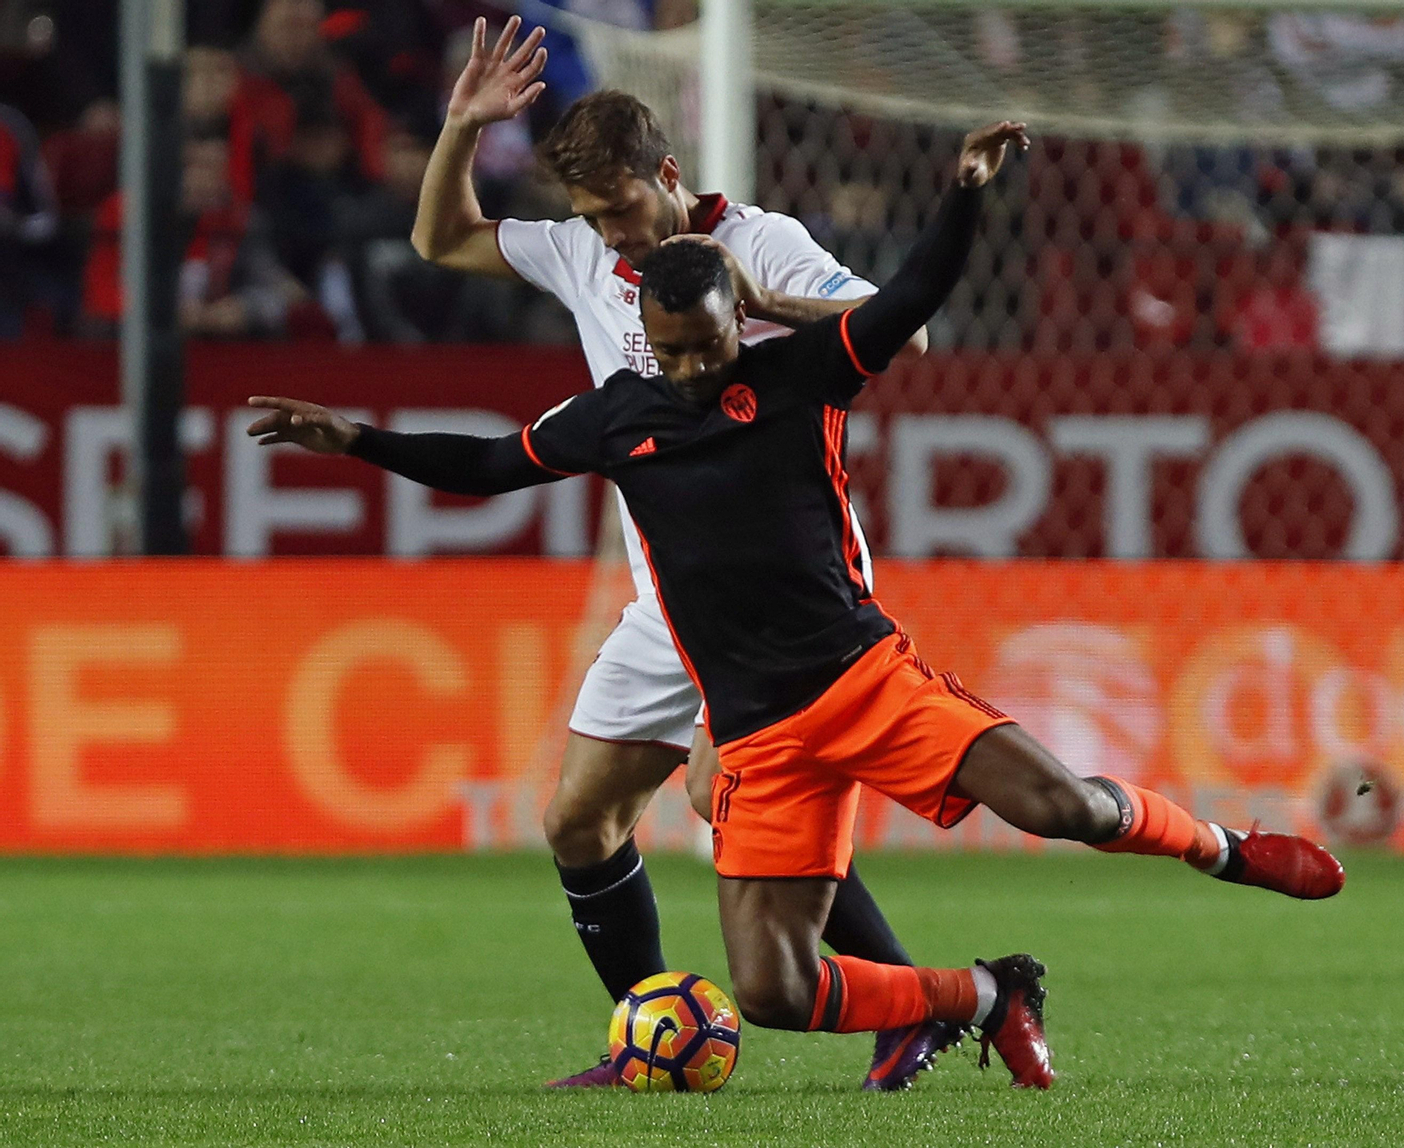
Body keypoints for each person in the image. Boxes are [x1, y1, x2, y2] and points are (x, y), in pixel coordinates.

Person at [245, 119, 1346, 1090]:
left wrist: (963, 193)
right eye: (671, 351)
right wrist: (357, 439)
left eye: (706, 345)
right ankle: (981, 992)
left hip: (862, 679)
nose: (688, 369)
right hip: (760, 727)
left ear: (741, 320)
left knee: (1064, 809)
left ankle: (1222, 846)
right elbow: (488, 464)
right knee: (772, 988)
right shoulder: (614, 414)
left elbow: (909, 302)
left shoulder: (806, 373)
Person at [407, 17, 941, 1090]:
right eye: (590, 217)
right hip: (668, 597)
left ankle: (913, 1005)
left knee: (716, 793)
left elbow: (906, 331)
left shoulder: (761, 239)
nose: (610, 235)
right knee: (579, 819)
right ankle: (648, 1033)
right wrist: (462, 126)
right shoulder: (583, 253)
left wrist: (764, 302)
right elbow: (442, 240)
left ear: (666, 174)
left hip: (777, 585)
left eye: (620, 207)